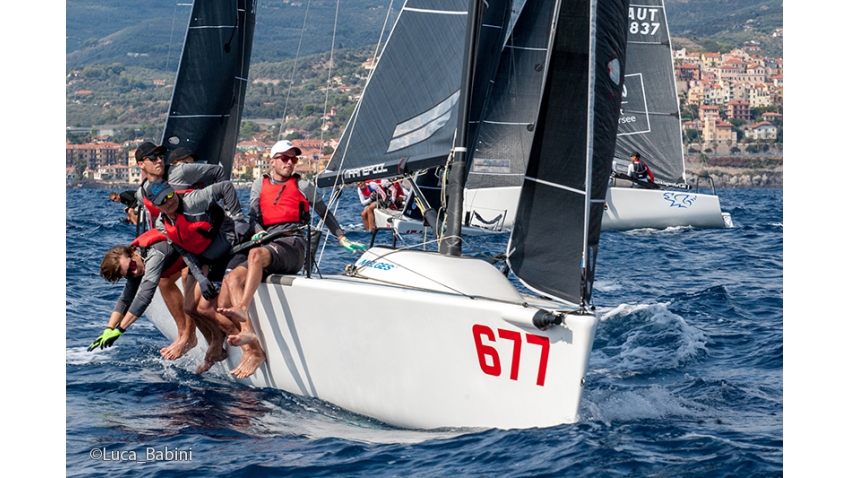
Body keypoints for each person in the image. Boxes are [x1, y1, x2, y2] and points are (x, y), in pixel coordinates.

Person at [218, 140, 366, 379]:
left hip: (293, 244)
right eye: (285, 158)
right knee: (233, 279)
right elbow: (255, 216)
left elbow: (324, 213)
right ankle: (250, 338)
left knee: (255, 255)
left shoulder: (304, 185)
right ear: (273, 161)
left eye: (294, 159)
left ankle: (242, 308)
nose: (290, 163)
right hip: (268, 244)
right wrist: (257, 230)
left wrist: (341, 237)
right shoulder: (260, 184)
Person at [147, 178, 250, 373]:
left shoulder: (193, 200)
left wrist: (238, 218)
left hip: (228, 249)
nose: (170, 201)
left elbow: (225, 186)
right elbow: (185, 253)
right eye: (163, 201)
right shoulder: (162, 224)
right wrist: (200, 278)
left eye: (170, 195)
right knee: (189, 308)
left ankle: (248, 347)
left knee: (206, 309)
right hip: (205, 260)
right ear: (156, 206)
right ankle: (216, 343)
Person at [89, 229, 195, 356]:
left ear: (132, 253)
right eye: (128, 274)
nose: (134, 272)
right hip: (187, 258)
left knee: (186, 276)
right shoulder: (137, 261)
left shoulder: (154, 256)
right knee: (164, 281)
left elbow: (144, 297)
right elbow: (125, 299)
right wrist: (109, 328)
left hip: (202, 254)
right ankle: (183, 333)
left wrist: (120, 330)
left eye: (132, 267)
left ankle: (190, 336)